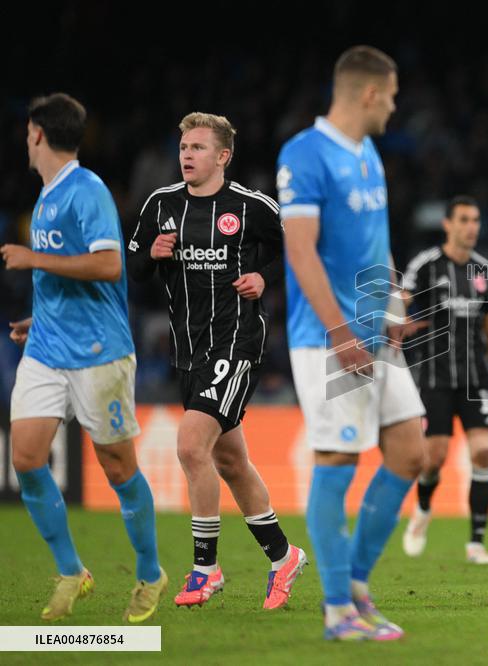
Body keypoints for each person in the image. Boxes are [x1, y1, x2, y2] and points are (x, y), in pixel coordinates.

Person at [127, 112, 306, 610]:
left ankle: (205, 568)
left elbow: (296, 248)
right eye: (184, 146)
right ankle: (283, 555)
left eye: (199, 147)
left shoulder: (251, 207)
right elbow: (136, 266)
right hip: (187, 352)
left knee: (189, 447)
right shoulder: (161, 205)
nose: (187, 154)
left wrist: (265, 277)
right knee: (230, 460)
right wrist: (154, 254)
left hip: (236, 343)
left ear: (223, 156)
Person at [278, 45, 425, 641]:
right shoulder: (305, 154)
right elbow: (300, 249)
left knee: (411, 450)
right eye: (390, 96)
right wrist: (339, 330)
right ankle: (337, 609)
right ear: (369, 93)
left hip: (374, 337)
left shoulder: (368, 154)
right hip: (326, 339)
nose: (393, 107)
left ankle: (357, 587)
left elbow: (376, 245)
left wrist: (390, 308)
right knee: (336, 459)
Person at [2, 93, 166, 622]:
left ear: (37, 134)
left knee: (118, 468)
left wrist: (32, 258)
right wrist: (41, 314)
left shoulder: (86, 190)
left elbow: (108, 266)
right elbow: (66, 275)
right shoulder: (48, 195)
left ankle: (149, 573)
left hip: (100, 353)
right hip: (49, 349)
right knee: (26, 457)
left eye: (27, 132)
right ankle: (72, 571)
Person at [399, 195, 488, 564]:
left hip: (476, 378)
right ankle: (423, 510)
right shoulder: (426, 265)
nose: (471, 227)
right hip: (435, 377)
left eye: (475, 220)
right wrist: (398, 326)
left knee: (483, 453)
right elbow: (402, 304)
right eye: (463, 220)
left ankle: (476, 543)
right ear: (448, 224)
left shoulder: (484, 269)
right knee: (433, 459)